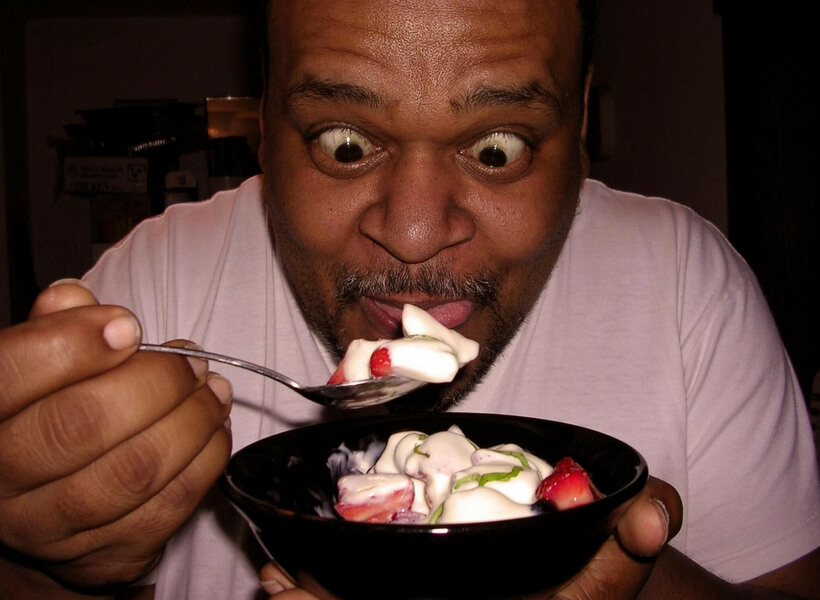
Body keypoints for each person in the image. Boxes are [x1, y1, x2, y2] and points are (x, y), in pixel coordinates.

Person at [1, 1, 818, 599]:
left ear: (578, 130)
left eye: (498, 149)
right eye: (345, 145)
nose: (417, 235)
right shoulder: (154, 288)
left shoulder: (685, 283)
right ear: (262, 119)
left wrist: (644, 589)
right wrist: (52, 565)